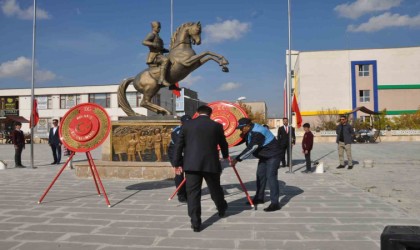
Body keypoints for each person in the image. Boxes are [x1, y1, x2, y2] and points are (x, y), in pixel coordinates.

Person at [173, 105, 229, 232]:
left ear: (197, 113)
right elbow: (223, 143)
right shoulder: (216, 126)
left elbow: (178, 145)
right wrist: (225, 155)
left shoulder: (186, 125)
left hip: (191, 165)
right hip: (211, 164)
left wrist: (177, 163)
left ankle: (196, 223)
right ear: (210, 114)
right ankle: (221, 208)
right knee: (215, 189)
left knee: (193, 194)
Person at [231, 118, 282, 212]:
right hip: (264, 156)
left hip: (273, 155)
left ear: (247, 126)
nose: (241, 130)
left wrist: (237, 159)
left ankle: (275, 203)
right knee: (260, 176)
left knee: (271, 177)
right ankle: (259, 198)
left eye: (242, 128)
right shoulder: (250, 130)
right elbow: (240, 140)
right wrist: (227, 143)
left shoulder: (258, 132)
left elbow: (252, 148)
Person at [142, 21, 174, 89]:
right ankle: (161, 80)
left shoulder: (158, 36)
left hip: (160, 54)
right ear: (153, 27)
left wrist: (167, 50)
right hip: (154, 56)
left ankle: (171, 82)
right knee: (166, 60)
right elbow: (144, 42)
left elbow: (160, 48)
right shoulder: (152, 34)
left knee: (172, 62)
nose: (159, 29)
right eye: (158, 27)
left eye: (160, 27)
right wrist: (153, 44)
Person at [167, 115, 191, 203]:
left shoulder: (192, 129)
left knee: (190, 175)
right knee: (179, 174)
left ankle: (189, 193)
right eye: (185, 123)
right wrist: (176, 163)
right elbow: (180, 145)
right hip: (176, 153)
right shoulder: (176, 131)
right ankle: (181, 195)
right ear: (181, 123)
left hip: (188, 153)